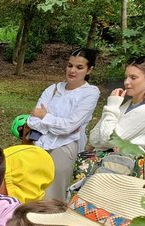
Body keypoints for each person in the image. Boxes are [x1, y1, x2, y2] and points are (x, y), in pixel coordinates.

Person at [26, 48, 100, 200]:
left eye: (79, 67)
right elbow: (32, 120)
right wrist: (52, 122)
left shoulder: (90, 93)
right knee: (31, 187)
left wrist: (45, 117)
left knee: (53, 193)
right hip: (40, 142)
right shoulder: (53, 89)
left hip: (65, 146)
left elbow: (69, 127)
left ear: (89, 70)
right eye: (70, 65)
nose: (72, 71)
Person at [88, 56, 145, 152]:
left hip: (118, 165)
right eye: (126, 77)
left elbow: (106, 140)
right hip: (103, 164)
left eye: (133, 77)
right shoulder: (126, 105)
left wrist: (112, 106)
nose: (126, 82)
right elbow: (93, 138)